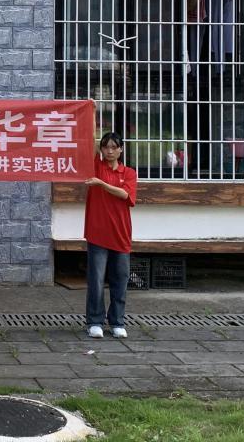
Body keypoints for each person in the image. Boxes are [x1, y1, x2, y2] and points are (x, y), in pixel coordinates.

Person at [84, 131, 138, 340]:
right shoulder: (96, 167)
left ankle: (117, 321)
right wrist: (91, 114)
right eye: (106, 147)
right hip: (97, 233)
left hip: (121, 234)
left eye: (114, 147)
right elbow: (89, 140)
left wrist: (101, 184)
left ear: (121, 150)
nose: (109, 151)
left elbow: (125, 194)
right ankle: (95, 321)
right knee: (96, 281)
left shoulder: (129, 173)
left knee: (120, 280)